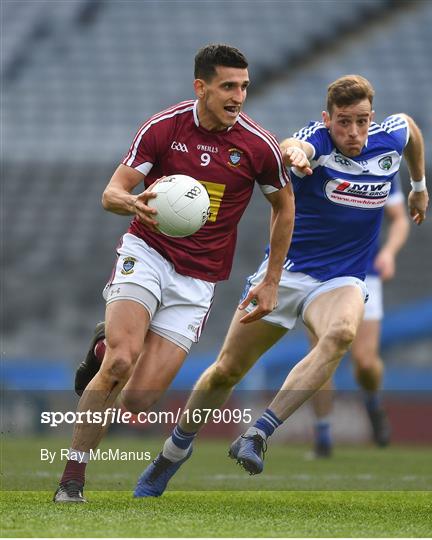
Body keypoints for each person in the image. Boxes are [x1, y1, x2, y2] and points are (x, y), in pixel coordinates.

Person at [133, 74, 428, 496]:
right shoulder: (318, 142)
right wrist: (295, 155)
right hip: (285, 274)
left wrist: (418, 187)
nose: (354, 133)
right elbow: (295, 145)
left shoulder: (391, 136)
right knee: (224, 372)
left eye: (362, 121)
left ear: (373, 118)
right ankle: (173, 453)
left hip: (341, 278)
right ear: (327, 119)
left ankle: (258, 434)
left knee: (342, 333)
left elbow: (412, 130)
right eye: (343, 122)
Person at [53, 44, 295, 503]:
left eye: (244, 86)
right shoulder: (163, 127)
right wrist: (135, 203)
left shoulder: (258, 146)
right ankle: (72, 480)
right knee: (121, 362)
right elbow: (112, 192)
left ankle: (105, 340)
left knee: (139, 401)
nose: (238, 96)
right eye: (228, 86)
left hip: (197, 280)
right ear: (200, 87)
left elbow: (285, 207)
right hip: (147, 253)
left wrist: (271, 280)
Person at [309, 178, 410, 456]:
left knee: (365, 362)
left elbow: (400, 219)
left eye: (360, 128)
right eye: (346, 128)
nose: (353, 132)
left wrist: (389, 253)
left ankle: (372, 400)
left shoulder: (382, 164)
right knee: (320, 355)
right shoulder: (319, 154)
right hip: (319, 271)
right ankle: (323, 434)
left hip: (364, 273)